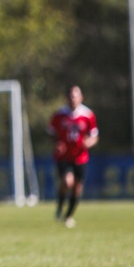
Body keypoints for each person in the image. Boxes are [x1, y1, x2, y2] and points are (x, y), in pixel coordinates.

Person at [47, 84, 99, 228]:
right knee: (66, 182)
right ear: (66, 98)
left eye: (75, 97)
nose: (73, 100)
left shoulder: (88, 115)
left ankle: (68, 216)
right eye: (70, 97)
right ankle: (60, 206)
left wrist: (89, 142)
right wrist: (57, 143)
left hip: (81, 157)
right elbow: (50, 132)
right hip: (64, 157)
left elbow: (94, 136)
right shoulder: (59, 115)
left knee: (77, 188)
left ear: (81, 98)